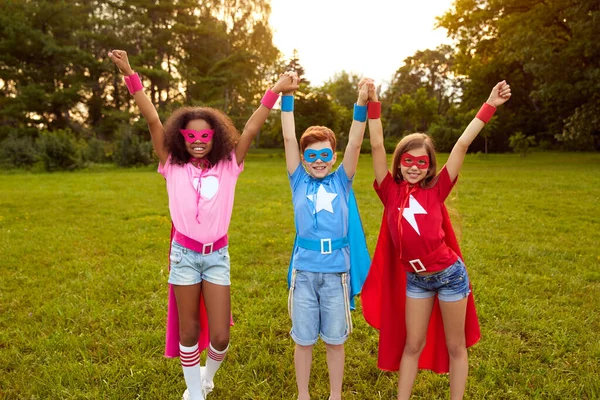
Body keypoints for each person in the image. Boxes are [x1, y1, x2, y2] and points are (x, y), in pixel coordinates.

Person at [108, 50, 298, 400]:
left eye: (205, 137)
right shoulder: (171, 165)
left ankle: (208, 378)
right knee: (190, 331)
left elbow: (254, 124)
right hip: (183, 256)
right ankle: (194, 391)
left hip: (217, 256)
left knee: (221, 335)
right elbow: (152, 119)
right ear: (180, 137)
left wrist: (276, 88)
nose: (197, 143)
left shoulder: (229, 164)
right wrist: (130, 74)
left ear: (215, 137)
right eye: (190, 137)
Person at [361, 81, 511, 399]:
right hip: (417, 280)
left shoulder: (437, 188)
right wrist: (373, 104)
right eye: (408, 161)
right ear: (399, 162)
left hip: (450, 276)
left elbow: (460, 146)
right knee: (412, 344)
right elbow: (376, 146)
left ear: (429, 166)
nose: (414, 167)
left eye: (422, 162)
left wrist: (489, 105)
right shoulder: (389, 191)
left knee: (455, 345)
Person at [281, 73, 372, 400]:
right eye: (312, 156)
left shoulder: (341, 181)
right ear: (304, 159)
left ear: (332, 157)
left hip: (336, 275)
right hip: (304, 274)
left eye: (324, 155)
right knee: (302, 339)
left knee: (335, 340)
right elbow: (290, 139)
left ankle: (335, 394)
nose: (319, 161)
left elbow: (356, 143)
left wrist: (360, 104)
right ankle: (303, 394)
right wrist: (287, 97)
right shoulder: (298, 181)